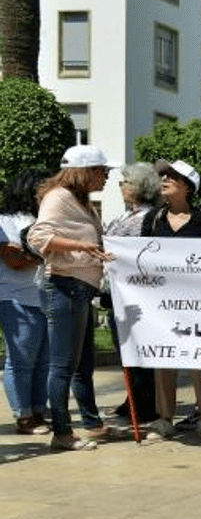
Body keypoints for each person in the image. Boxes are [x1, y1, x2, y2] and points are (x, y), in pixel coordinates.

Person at [25, 145, 118, 451]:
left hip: (79, 288)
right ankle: (62, 433)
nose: (106, 177)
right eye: (102, 171)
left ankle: (90, 423)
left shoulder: (81, 202)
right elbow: (37, 238)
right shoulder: (59, 198)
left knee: (81, 363)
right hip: (65, 287)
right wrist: (82, 246)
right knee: (63, 365)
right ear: (85, 171)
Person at [141, 159, 201, 441]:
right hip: (161, 306)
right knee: (163, 360)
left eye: (172, 177)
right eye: (163, 176)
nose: (164, 179)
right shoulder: (152, 218)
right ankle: (165, 419)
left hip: (198, 306)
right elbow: (140, 258)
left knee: (200, 360)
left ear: (188, 187)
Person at [102, 162, 162, 424]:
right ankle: (132, 401)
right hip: (115, 292)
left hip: (132, 295)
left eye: (123, 182)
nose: (120, 188)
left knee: (137, 352)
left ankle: (145, 405)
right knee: (126, 351)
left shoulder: (145, 218)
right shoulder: (125, 216)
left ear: (137, 187)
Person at [0, 171, 50, 435]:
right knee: (21, 360)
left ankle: (39, 410)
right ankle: (24, 415)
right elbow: (14, 261)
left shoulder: (42, 220)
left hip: (42, 297)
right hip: (15, 298)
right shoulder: (4, 222)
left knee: (44, 360)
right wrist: (44, 257)